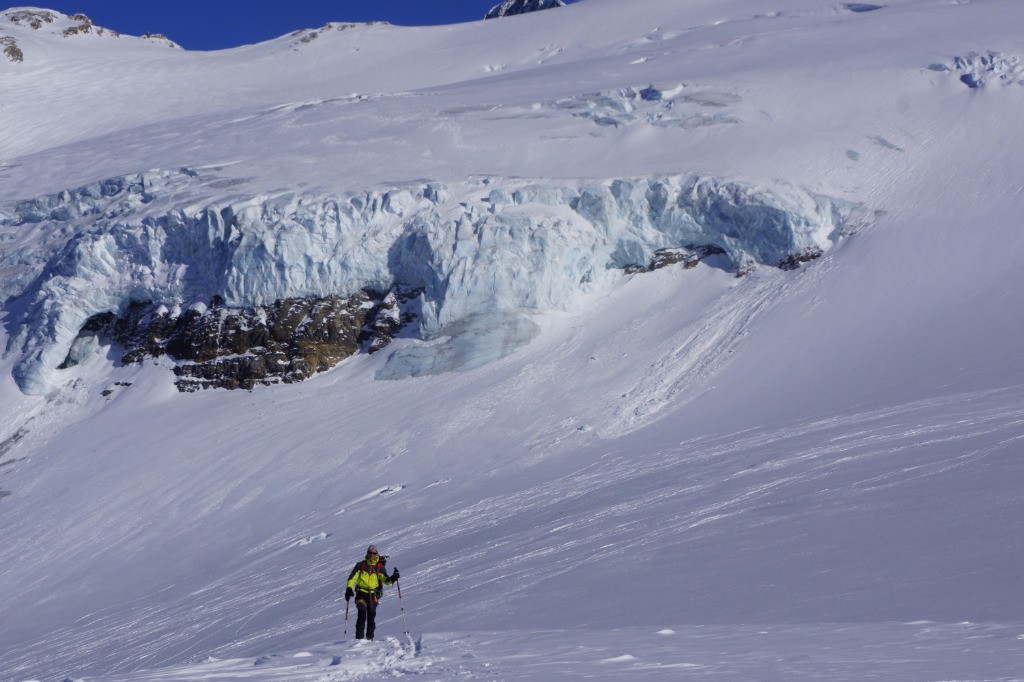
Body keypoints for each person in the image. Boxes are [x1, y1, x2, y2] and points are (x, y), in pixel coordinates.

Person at [345, 544, 400, 641]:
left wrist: (393, 578)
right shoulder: (361, 565)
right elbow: (352, 578)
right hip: (361, 593)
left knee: (371, 618)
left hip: (373, 595)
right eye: (370, 553)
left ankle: (369, 639)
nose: (372, 555)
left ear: (377, 554)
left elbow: (386, 580)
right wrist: (349, 588)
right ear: (367, 553)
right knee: (362, 613)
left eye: (374, 553)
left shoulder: (379, 567)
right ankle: (359, 640)